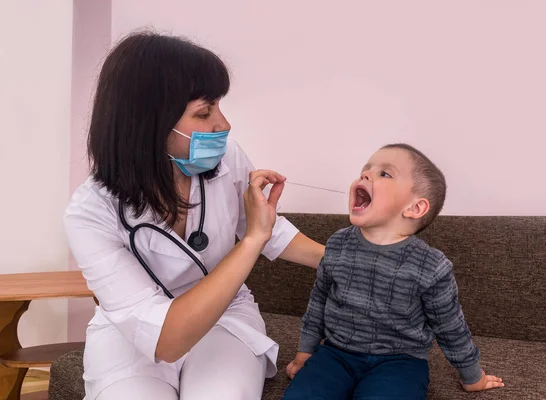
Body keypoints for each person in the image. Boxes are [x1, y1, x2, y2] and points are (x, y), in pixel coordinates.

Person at [64, 31, 324, 400]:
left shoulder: (227, 158)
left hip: (224, 318)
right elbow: (165, 341)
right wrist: (251, 241)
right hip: (134, 337)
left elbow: (268, 228)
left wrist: (343, 261)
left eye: (217, 106)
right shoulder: (90, 213)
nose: (223, 124)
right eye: (204, 112)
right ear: (149, 122)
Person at [283, 144, 504, 399]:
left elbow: (451, 327)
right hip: (335, 354)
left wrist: (472, 376)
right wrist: (305, 352)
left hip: (400, 363)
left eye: (384, 174)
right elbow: (319, 300)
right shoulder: (337, 243)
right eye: (365, 171)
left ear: (415, 208)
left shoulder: (431, 266)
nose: (365, 175)